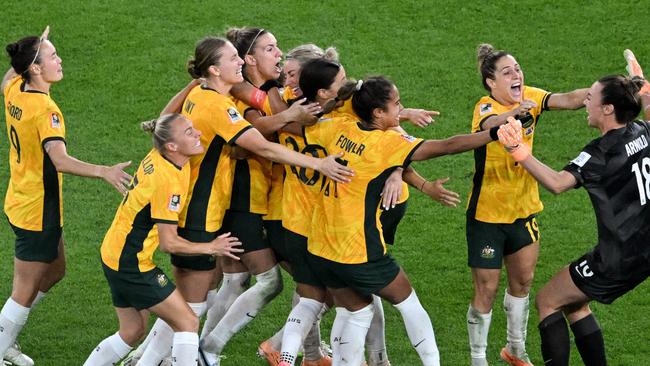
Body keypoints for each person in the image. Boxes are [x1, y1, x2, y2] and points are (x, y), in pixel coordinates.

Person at [130, 36, 352, 366]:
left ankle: (153, 358)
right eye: (235, 57)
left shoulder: (203, 93)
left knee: (192, 303)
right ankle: (174, 357)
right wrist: (318, 163)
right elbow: (259, 145)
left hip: (201, 208)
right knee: (190, 311)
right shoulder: (217, 105)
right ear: (216, 69)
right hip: (201, 211)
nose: (241, 62)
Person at [290, 75, 509, 366]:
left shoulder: (339, 127)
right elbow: (448, 145)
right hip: (358, 250)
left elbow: (315, 122)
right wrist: (494, 134)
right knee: (409, 305)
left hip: (320, 248)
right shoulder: (388, 141)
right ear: (378, 113)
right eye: (396, 104)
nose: (401, 108)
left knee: (358, 312)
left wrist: (335, 101)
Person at [495, 73, 650, 366]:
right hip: (644, 250)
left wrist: (519, 151)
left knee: (548, 301)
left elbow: (557, 182)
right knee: (576, 303)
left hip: (618, 257)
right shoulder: (643, 130)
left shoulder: (599, 153)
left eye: (592, 97)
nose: (586, 101)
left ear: (607, 109)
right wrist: (645, 91)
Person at [0, 26, 132, 365]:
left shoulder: (14, 88)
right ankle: (2, 344)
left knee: (56, 269)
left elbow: (7, 76)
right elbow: (58, 160)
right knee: (24, 289)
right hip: (36, 210)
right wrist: (104, 171)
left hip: (20, 198)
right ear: (35, 69)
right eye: (52, 56)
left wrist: (31, 45)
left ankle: (6, 336)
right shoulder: (47, 111)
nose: (60, 60)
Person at [82, 114, 244, 366]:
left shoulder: (159, 156)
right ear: (172, 146)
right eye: (189, 132)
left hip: (113, 253)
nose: (198, 133)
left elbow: (165, 126)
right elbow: (169, 243)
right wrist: (211, 246)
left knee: (132, 331)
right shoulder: (167, 180)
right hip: (131, 263)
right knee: (187, 322)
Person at [465, 43, 588, 366]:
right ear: (491, 83)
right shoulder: (485, 106)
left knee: (522, 282)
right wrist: (513, 115)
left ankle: (514, 349)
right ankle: (478, 359)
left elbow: (568, 99)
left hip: (524, 210)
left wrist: (601, 92)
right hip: (487, 216)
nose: (517, 75)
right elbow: (490, 126)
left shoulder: (529, 96)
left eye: (517, 69)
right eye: (508, 72)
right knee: (486, 291)